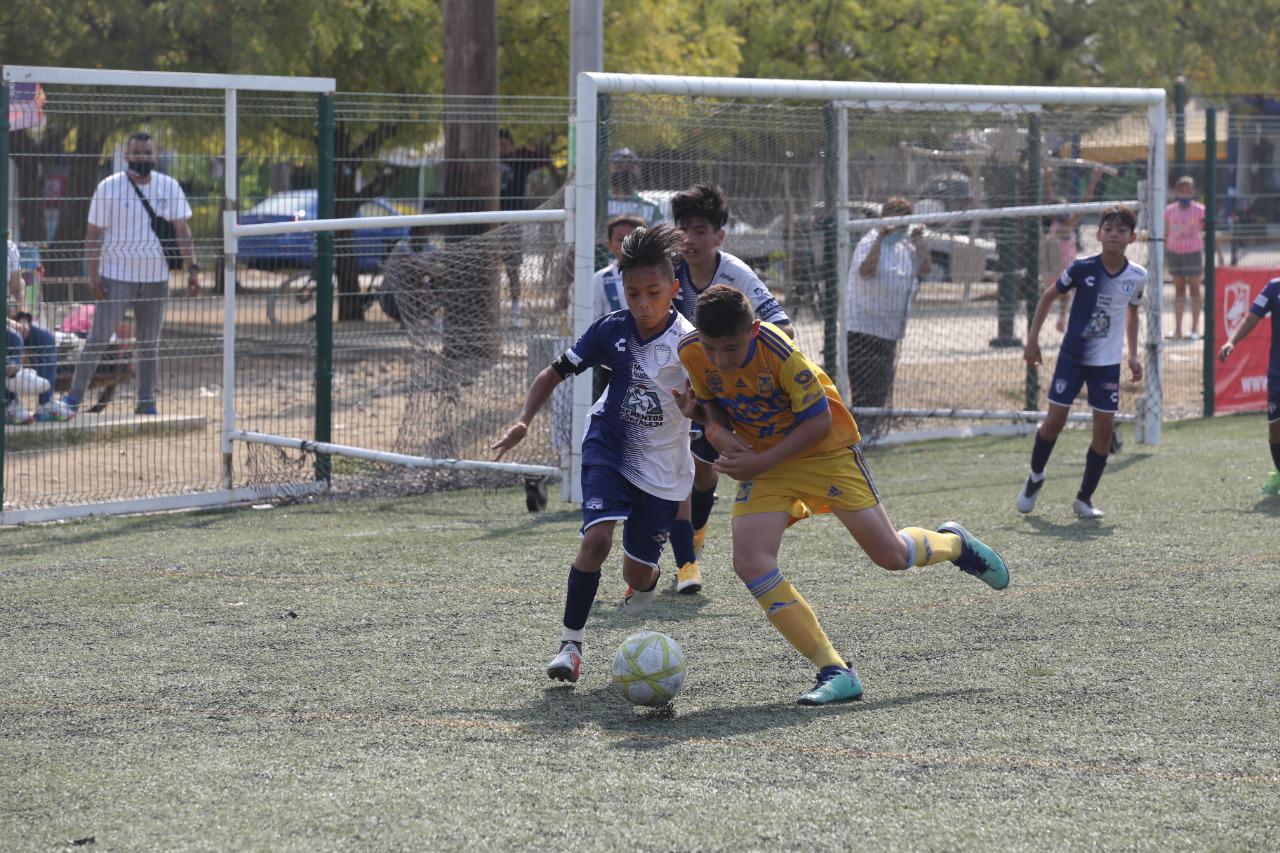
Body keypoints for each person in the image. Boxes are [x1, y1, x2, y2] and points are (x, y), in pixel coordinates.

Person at [674, 285, 1009, 705]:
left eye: (731, 348)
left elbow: (816, 422)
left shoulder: (780, 353)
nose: (720, 359)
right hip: (766, 460)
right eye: (711, 348)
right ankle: (835, 669)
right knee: (749, 561)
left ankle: (955, 544)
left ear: (754, 330)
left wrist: (758, 461)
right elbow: (712, 403)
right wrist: (713, 427)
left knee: (892, 556)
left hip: (825, 452)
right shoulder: (692, 351)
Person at [491, 224, 694, 683]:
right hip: (608, 442)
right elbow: (553, 373)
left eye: (653, 292)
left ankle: (647, 577)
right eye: (633, 292)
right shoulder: (611, 330)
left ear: (674, 290)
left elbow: (713, 402)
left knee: (637, 574)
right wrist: (524, 419)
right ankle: (570, 646)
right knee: (596, 539)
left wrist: (705, 418)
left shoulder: (690, 344)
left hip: (663, 464)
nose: (642, 303)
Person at [669, 182, 795, 595]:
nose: (690, 239)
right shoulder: (668, 273)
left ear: (720, 236)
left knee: (705, 472)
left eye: (700, 230)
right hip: (683, 388)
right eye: (683, 229)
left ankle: (696, 539)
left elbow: (783, 327)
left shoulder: (736, 274)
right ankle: (687, 558)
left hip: (730, 393)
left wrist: (740, 368)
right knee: (688, 469)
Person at [1017, 205, 1146, 519]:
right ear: (1099, 234)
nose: (1114, 234)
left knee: (1104, 429)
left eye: (1122, 230)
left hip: (1106, 364)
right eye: (1109, 229)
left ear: (1132, 237)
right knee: (1055, 421)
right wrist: (1032, 340)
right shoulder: (1081, 268)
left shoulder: (1138, 276)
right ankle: (1035, 476)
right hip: (1072, 357)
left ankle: (1084, 498)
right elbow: (1048, 296)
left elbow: (1132, 312)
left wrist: (1132, 353)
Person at [64, 131, 200, 416]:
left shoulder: (169, 186)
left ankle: (146, 401)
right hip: (117, 277)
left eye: (147, 153)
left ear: (155, 155)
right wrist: (93, 274)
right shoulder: (109, 187)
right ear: (126, 156)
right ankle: (73, 398)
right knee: (99, 337)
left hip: (156, 279)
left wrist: (193, 268)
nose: (142, 158)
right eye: (137, 153)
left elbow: (182, 231)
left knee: (149, 343)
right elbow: (93, 235)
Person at [845, 197, 931, 436]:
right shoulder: (871, 240)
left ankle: (874, 430)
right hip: (863, 326)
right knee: (864, 385)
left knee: (881, 386)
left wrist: (918, 241)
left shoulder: (907, 244)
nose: (898, 229)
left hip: (890, 329)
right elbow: (865, 271)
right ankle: (859, 432)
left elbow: (925, 269)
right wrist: (882, 237)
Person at [1217, 276, 1280, 496]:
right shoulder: (1274, 287)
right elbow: (1251, 318)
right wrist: (1231, 341)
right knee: (1275, 429)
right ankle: (1279, 472)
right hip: (1277, 372)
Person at [7, 236, 73, 421]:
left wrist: (24, 319)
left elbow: (18, 288)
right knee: (13, 339)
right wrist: (13, 324)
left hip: (10, 319)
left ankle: (46, 404)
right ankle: (9, 404)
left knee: (46, 340)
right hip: (7, 325)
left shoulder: (10, 248)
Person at [498, 130, 550, 328]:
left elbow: (545, 159)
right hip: (487, 222)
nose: (501, 148)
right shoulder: (485, 158)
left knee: (513, 268)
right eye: (498, 145)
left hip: (512, 220)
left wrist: (520, 149)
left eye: (504, 144)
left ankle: (515, 311)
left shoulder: (519, 161)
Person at [591, 214, 645, 400]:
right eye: (621, 239)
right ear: (609, 244)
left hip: (649, 357)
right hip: (613, 359)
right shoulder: (600, 278)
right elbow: (595, 318)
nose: (627, 244)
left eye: (633, 238)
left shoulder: (658, 275)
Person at [1164, 176, 1206, 340]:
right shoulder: (1169, 210)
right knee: (1179, 291)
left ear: (1193, 192)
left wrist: (1220, 256)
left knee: (1195, 290)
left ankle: (1195, 328)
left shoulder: (1200, 210)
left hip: (1193, 252)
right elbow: (1166, 232)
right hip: (1175, 252)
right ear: (1177, 192)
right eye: (1182, 190)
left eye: (1189, 191)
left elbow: (1209, 231)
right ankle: (1177, 330)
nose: (1185, 193)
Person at [1040, 199, 1081, 332]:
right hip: (1062, 267)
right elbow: (1078, 215)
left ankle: (1062, 320)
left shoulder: (1055, 227)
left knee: (1066, 297)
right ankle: (1065, 321)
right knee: (1070, 295)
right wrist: (1092, 184)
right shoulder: (1063, 226)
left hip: (1059, 267)